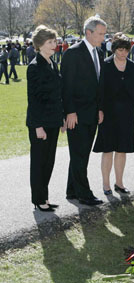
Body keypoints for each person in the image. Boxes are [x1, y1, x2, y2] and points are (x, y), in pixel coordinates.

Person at [61, 16, 107, 206]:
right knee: (79, 154)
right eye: (100, 34)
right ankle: (84, 194)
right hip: (76, 114)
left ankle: (72, 190)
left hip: (92, 113)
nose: (104, 38)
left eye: (104, 34)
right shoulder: (73, 53)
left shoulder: (99, 53)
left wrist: (100, 109)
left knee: (81, 154)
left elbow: (99, 85)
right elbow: (66, 86)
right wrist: (70, 112)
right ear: (88, 32)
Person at [93, 33, 134, 195]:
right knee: (107, 149)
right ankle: (106, 184)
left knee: (122, 150)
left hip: (127, 114)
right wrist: (99, 110)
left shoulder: (133, 67)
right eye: (120, 50)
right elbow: (99, 91)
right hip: (108, 114)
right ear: (114, 49)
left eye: (126, 50)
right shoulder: (105, 65)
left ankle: (120, 183)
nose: (123, 53)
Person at [26, 25, 64, 212]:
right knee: (39, 162)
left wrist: (61, 118)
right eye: (50, 42)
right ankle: (38, 199)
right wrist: (37, 126)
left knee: (49, 162)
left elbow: (57, 95)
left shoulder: (52, 63)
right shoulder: (34, 67)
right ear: (39, 45)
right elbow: (33, 100)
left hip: (53, 122)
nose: (54, 45)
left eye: (55, 42)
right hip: (40, 124)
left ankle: (44, 198)